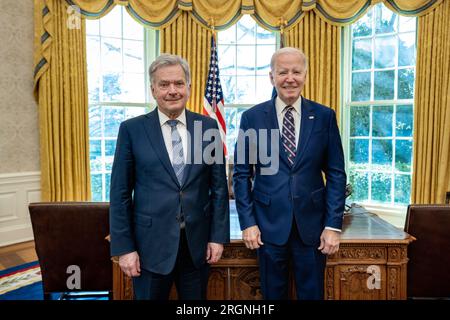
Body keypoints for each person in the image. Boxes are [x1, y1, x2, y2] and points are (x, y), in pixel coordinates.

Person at [109, 54, 230, 300]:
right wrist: (125, 249)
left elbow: (218, 188)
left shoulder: (207, 127)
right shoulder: (132, 130)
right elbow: (120, 193)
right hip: (148, 248)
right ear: (153, 89)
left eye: (178, 83)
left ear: (188, 87)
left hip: (196, 248)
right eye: (164, 84)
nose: (172, 91)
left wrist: (218, 237)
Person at [233, 47, 346, 300]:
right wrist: (248, 222)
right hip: (267, 227)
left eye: (296, 71)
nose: (290, 78)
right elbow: (241, 174)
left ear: (306, 75)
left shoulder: (325, 116)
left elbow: (337, 174)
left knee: (312, 294)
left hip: (314, 228)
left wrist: (332, 225)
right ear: (271, 76)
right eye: (283, 72)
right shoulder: (252, 117)